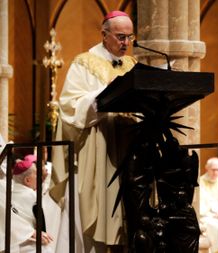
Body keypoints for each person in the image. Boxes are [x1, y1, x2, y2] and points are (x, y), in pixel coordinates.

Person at [53, 10, 137, 251]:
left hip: (128, 144)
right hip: (99, 145)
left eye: (130, 38)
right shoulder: (84, 63)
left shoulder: (132, 65)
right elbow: (69, 105)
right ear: (104, 35)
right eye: (121, 37)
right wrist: (103, 95)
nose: (126, 43)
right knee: (98, 209)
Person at [10, 156, 54, 253]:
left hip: (13, 243)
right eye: (36, 174)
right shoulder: (32, 196)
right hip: (32, 245)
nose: (40, 178)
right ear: (27, 180)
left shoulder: (9, 194)